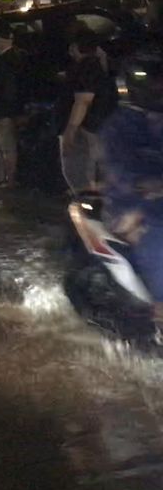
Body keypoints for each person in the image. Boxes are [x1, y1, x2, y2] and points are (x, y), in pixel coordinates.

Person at [100, 43, 163, 329]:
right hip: (133, 206)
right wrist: (145, 186)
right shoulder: (119, 127)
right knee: (157, 233)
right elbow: (119, 171)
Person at [60, 29, 117, 194]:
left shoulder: (86, 68)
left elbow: (83, 100)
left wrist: (71, 128)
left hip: (86, 127)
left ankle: (86, 204)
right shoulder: (102, 65)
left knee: (78, 169)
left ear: (75, 47)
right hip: (99, 125)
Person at [0, 23, 25, 187]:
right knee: (1, 146)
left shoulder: (8, 61)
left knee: (7, 146)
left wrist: (7, 110)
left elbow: (8, 88)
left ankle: (9, 180)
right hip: (2, 110)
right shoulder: (11, 58)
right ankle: (2, 178)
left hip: (4, 110)